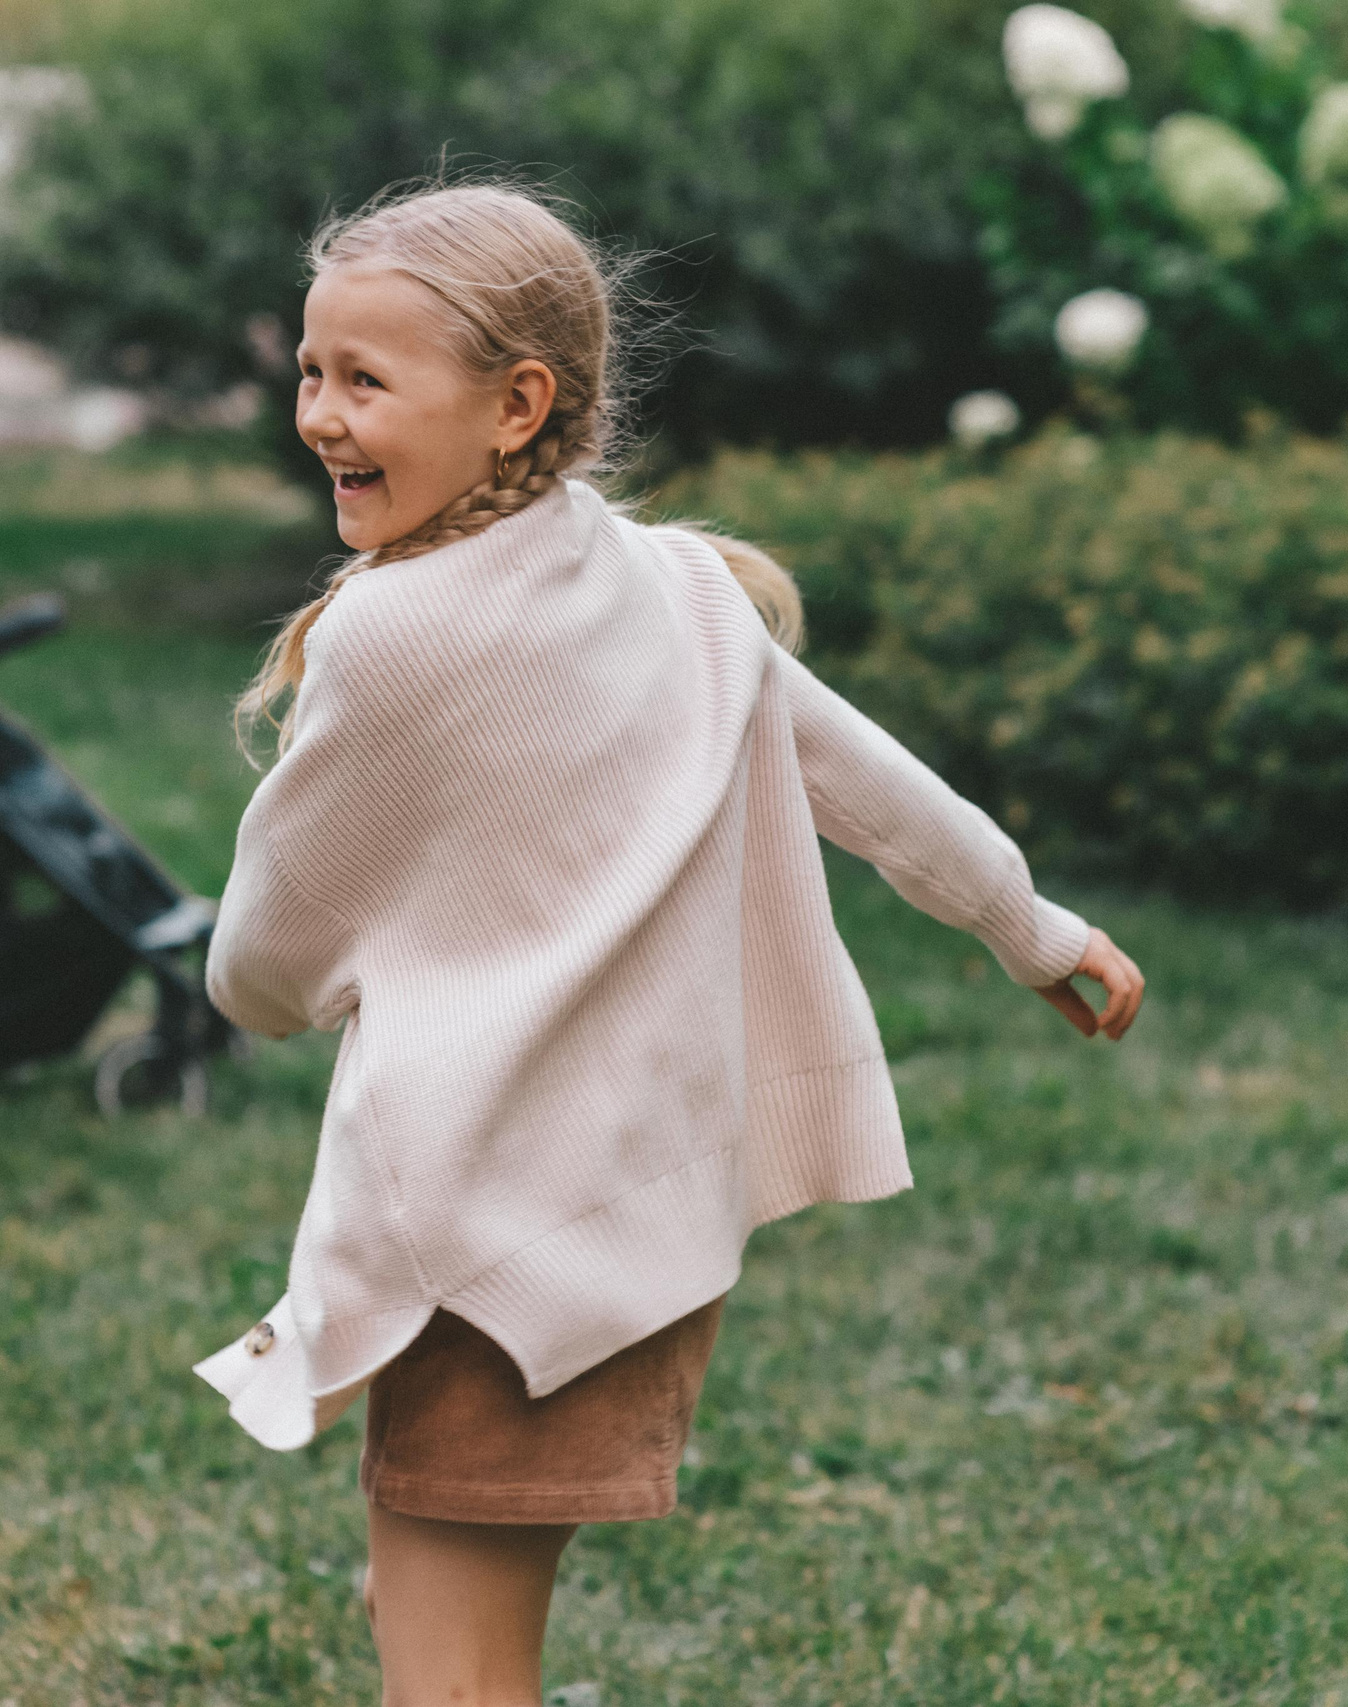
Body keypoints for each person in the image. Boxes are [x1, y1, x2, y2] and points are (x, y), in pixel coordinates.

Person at [196, 180, 1146, 1707]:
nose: (319, 414)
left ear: (517, 404)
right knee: (431, 1596)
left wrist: (256, 989)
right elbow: (875, 783)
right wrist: (1036, 932)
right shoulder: (684, 586)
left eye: (365, 380)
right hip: (643, 1229)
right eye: (312, 371)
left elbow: (269, 952)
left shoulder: (396, 632)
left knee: (450, 1670)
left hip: (494, 1240)